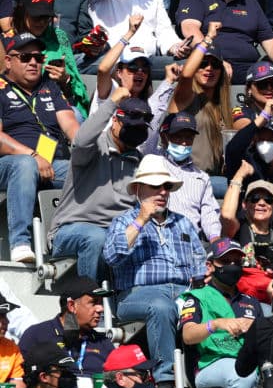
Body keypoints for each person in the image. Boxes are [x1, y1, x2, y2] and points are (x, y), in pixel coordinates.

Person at [104, 154, 207, 388]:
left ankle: (207, 373)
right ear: (139, 189)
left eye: (166, 186)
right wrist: (141, 220)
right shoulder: (123, 222)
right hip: (136, 294)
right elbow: (112, 257)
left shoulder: (183, 223)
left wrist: (204, 287)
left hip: (183, 291)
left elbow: (199, 260)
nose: (162, 192)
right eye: (155, 186)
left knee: (212, 303)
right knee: (161, 306)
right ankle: (165, 379)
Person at [50, 91, 155, 281]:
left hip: (117, 232)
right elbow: (80, 141)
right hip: (71, 230)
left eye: (140, 129)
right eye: (131, 127)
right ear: (115, 121)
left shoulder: (141, 161)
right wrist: (112, 102)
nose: (135, 132)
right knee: (96, 237)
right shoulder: (94, 148)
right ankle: (88, 298)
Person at [0, 32, 79, 263]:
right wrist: (33, 156)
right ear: (8, 61)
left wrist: (86, 147)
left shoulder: (50, 87)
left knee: (86, 170)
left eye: (38, 57)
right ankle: (20, 243)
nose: (34, 62)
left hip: (52, 162)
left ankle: (72, 242)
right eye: (25, 57)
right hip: (11, 164)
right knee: (24, 165)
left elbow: (71, 124)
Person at [179, 237, 260, 388]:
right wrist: (215, 324)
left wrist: (257, 327)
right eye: (225, 261)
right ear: (210, 265)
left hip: (249, 361)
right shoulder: (196, 298)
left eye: (237, 262)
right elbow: (188, 336)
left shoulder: (250, 301)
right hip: (208, 365)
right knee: (241, 374)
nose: (232, 266)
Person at [168, 24, 232, 181]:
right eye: (202, 64)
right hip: (184, 176)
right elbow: (187, 74)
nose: (209, 68)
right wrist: (208, 38)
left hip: (215, 180)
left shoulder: (222, 105)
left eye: (215, 65)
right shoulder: (186, 97)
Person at [18, 276, 114, 380]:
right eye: (93, 302)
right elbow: (21, 379)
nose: (101, 309)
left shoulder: (104, 342)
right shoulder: (37, 335)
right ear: (72, 306)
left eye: (101, 303)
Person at [145, 111, 221, 240]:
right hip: (158, 237)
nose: (184, 142)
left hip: (192, 241)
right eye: (178, 137)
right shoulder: (153, 161)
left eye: (189, 137)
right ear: (164, 137)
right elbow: (151, 129)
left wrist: (214, 238)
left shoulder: (201, 177)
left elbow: (209, 213)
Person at [224, 98, 273, 206]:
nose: (265, 144)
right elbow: (232, 148)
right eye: (262, 139)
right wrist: (264, 116)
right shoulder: (244, 163)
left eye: (271, 139)